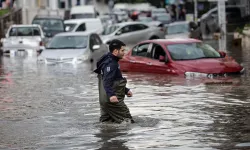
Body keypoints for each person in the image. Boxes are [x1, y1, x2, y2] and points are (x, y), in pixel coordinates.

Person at [94, 39, 134, 124]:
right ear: (115, 51)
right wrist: (112, 95)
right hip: (112, 99)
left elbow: (115, 80)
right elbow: (107, 80)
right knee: (128, 121)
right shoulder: (111, 64)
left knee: (106, 123)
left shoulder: (105, 59)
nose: (124, 52)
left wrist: (126, 90)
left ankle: (109, 136)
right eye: (122, 50)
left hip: (104, 99)